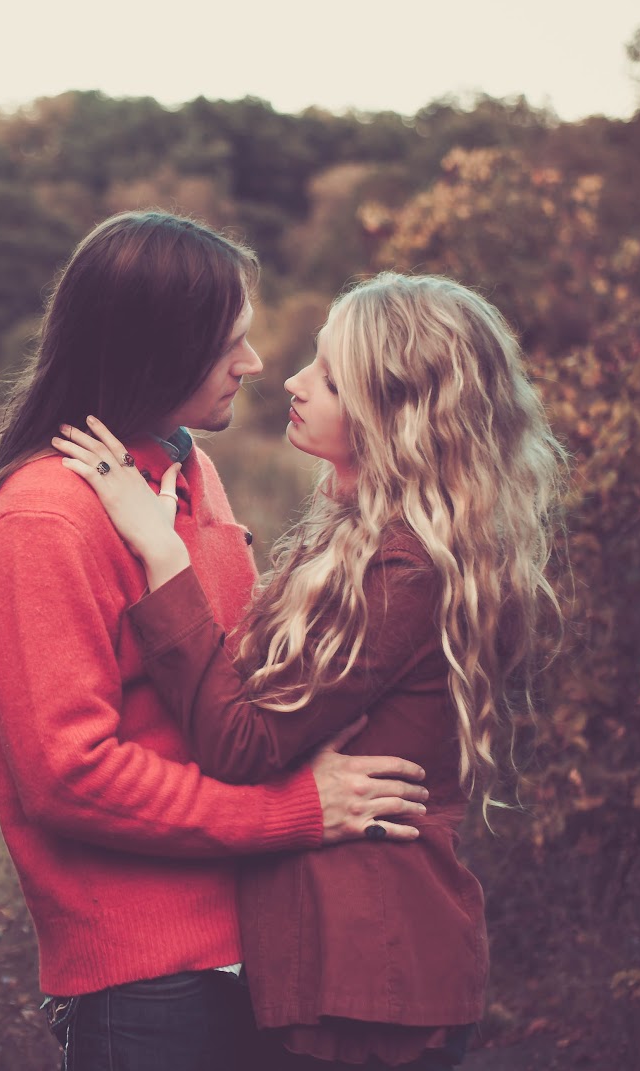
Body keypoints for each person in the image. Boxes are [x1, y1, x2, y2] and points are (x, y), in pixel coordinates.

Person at [0, 212, 432, 1071]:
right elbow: (69, 775)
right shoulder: (43, 519)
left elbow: (234, 682)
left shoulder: (189, 471)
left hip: (264, 948)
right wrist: (296, 811)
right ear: (156, 351)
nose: (254, 364)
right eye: (228, 345)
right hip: (148, 982)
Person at [53, 271, 564, 1068]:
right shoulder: (366, 538)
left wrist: (163, 554)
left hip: (363, 980)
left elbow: (240, 742)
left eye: (328, 376)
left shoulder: (404, 569)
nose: (291, 380)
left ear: (394, 412)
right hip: (342, 960)